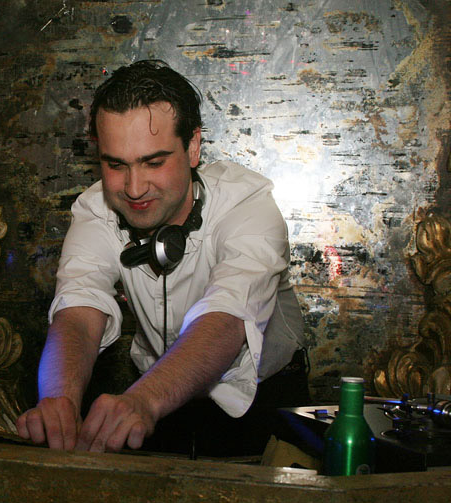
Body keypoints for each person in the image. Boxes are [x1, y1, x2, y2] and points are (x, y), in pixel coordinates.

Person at [16, 60, 308, 455]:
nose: (134, 188)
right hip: (153, 400)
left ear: (193, 146)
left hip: (264, 402)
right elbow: (79, 308)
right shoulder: (96, 210)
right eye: (116, 165)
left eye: (153, 162)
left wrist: (143, 400)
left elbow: (226, 317)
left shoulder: (247, 205)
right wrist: (59, 400)